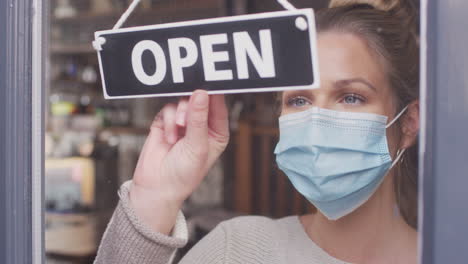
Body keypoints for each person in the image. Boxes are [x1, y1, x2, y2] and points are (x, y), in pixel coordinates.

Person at [94, 0, 420, 263]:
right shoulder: (237, 250)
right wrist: (153, 200)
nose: (317, 121)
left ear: (408, 123)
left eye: (351, 97)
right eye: (300, 99)